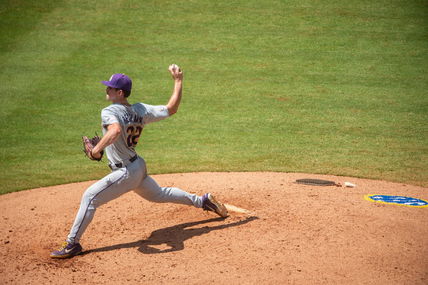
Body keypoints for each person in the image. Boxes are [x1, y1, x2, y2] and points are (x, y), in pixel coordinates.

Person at [50, 64, 228, 259]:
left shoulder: (109, 111)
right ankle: (203, 201)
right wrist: (178, 81)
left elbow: (115, 130)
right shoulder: (140, 109)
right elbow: (171, 109)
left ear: (119, 92)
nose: (106, 89)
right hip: (137, 166)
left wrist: (96, 150)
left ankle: (72, 244)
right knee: (159, 194)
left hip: (125, 172)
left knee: (89, 198)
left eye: (109, 87)